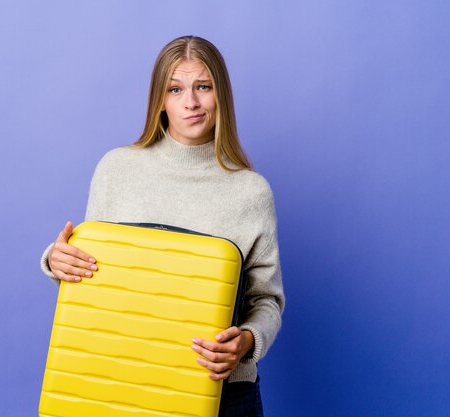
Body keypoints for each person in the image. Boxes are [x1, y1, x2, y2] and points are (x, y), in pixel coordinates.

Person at [39, 35, 285, 417]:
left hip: (220, 391)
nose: (191, 102)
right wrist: (56, 261)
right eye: (176, 88)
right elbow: (93, 274)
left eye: (203, 86)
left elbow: (266, 300)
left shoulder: (250, 191)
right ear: (160, 100)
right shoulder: (116, 169)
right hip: (122, 382)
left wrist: (248, 341)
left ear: (221, 95)